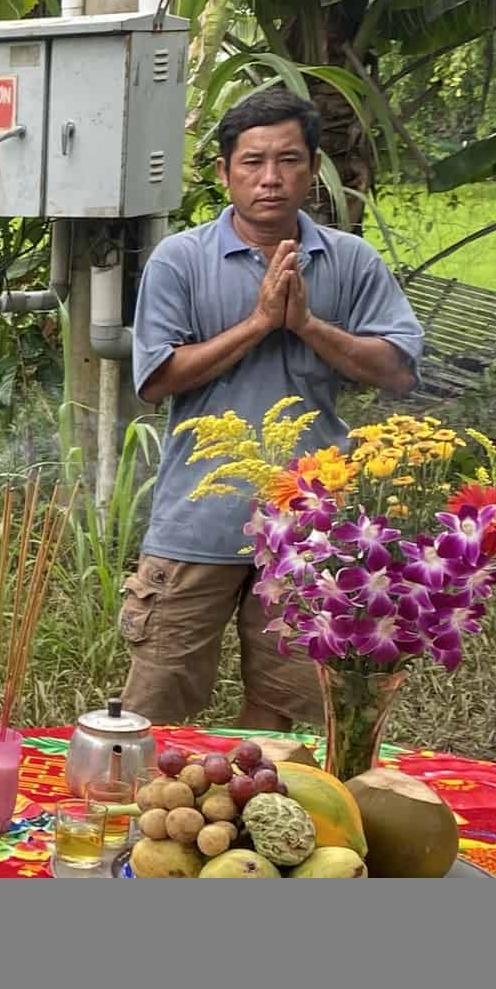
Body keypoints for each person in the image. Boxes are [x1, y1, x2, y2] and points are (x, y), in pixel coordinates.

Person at [124, 86, 426, 730]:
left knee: (290, 714)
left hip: (308, 527)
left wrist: (308, 326)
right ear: (224, 172)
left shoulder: (350, 261)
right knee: (156, 708)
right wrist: (259, 323)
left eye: (288, 160)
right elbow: (155, 379)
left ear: (312, 169)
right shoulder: (181, 259)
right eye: (252, 162)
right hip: (198, 521)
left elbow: (399, 371)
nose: (270, 178)